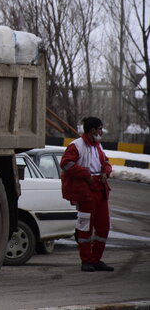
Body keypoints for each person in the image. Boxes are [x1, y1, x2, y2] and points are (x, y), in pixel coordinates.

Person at [60, 116, 114, 272]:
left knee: (103, 227)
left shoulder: (98, 146)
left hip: (100, 190)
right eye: (99, 129)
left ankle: (96, 259)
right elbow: (66, 164)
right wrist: (86, 175)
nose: (101, 132)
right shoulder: (76, 146)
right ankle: (86, 261)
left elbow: (106, 162)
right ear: (92, 130)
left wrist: (106, 172)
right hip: (86, 192)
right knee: (85, 228)